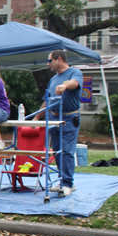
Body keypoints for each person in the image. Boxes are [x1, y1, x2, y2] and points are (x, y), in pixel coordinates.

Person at [33, 50, 83, 196]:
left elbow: (75, 83)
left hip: (68, 119)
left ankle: (68, 183)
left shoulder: (75, 72)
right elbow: (47, 100)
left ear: (59, 59)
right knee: (58, 152)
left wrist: (65, 86)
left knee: (67, 152)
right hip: (53, 118)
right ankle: (63, 181)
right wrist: (37, 117)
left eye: (50, 61)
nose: (48, 64)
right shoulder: (53, 79)